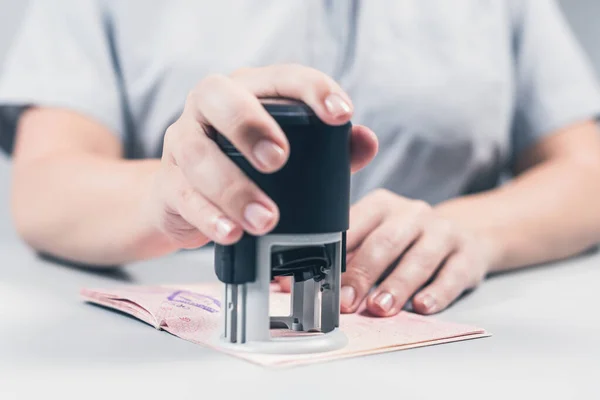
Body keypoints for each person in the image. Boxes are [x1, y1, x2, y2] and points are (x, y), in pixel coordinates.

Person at [2, 0, 600, 319]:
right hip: (201, 335)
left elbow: (586, 169)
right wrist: (172, 197)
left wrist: (471, 232)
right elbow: (44, 182)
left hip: (430, 326)